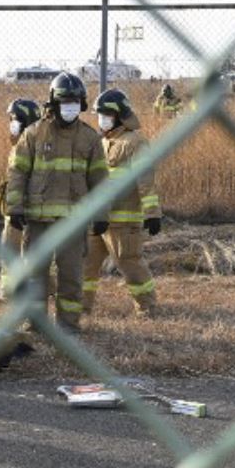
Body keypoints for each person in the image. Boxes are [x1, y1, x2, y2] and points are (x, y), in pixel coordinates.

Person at [4, 72, 107, 330]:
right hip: (38, 221)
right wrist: (14, 208)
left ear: (82, 104)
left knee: (71, 275)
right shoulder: (33, 133)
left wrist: (102, 214)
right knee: (36, 274)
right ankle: (36, 323)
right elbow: (17, 173)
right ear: (53, 102)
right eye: (64, 101)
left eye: (74, 101)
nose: (69, 106)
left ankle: (68, 325)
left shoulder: (90, 138)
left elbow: (100, 180)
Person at [82, 88, 161, 317]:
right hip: (98, 219)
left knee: (129, 263)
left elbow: (145, 180)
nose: (101, 119)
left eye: (106, 114)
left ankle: (147, 307)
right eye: (100, 114)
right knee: (86, 264)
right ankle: (80, 307)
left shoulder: (135, 142)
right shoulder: (104, 142)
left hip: (123, 220)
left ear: (119, 116)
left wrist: (152, 213)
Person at [0, 98, 43, 295]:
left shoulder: (29, 147)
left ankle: (14, 291)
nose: (11, 124)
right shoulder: (22, 144)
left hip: (21, 211)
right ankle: (10, 290)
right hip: (14, 209)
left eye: (13, 119)